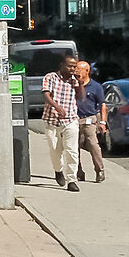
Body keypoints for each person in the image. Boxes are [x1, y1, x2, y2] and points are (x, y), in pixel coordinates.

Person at [41, 55, 82, 192]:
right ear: (62, 65)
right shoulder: (51, 77)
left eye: (74, 66)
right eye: (69, 66)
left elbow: (81, 97)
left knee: (72, 150)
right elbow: (46, 94)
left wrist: (80, 83)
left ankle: (72, 180)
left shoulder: (74, 80)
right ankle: (58, 171)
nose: (72, 69)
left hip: (70, 119)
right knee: (55, 150)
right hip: (52, 119)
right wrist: (56, 106)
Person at [75, 59, 107, 183]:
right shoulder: (72, 85)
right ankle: (78, 171)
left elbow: (102, 105)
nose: (76, 72)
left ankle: (100, 170)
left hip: (89, 119)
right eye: (75, 69)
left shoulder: (96, 87)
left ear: (87, 71)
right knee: (73, 147)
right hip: (74, 119)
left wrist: (103, 122)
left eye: (79, 69)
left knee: (93, 144)